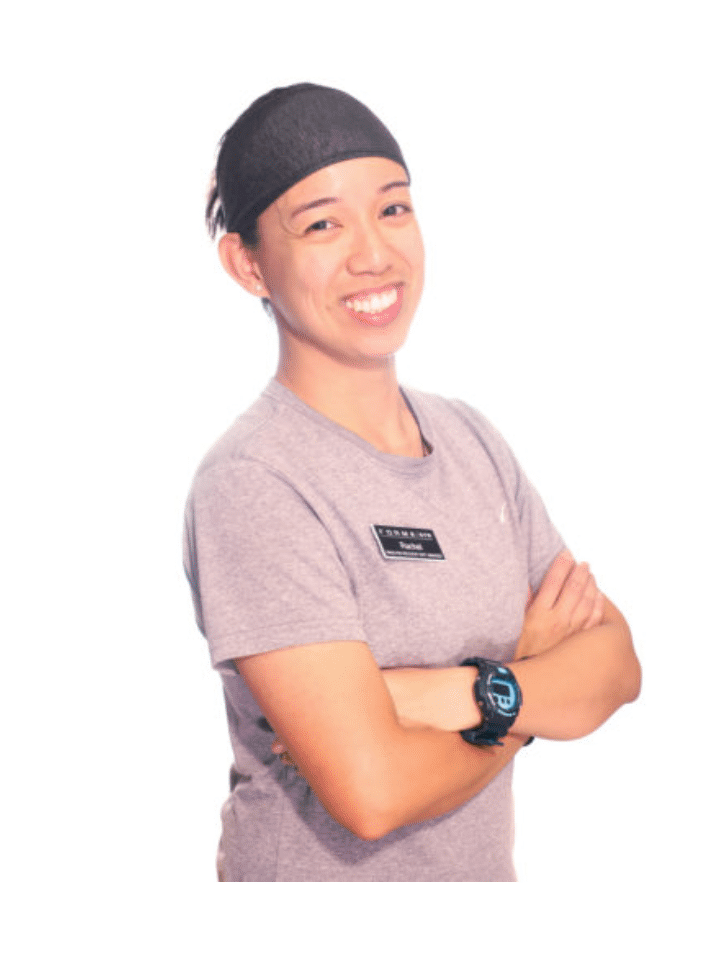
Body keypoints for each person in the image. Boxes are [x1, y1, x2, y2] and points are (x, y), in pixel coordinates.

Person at [182, 83, 639, 880]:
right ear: (247, 263)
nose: (373, 253)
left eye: (393, 209)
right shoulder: (255, 483)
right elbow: (372, 789)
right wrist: (518, 692)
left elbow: (618, 664)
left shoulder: (471, 442)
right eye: (322, 223)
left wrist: (441, 694)